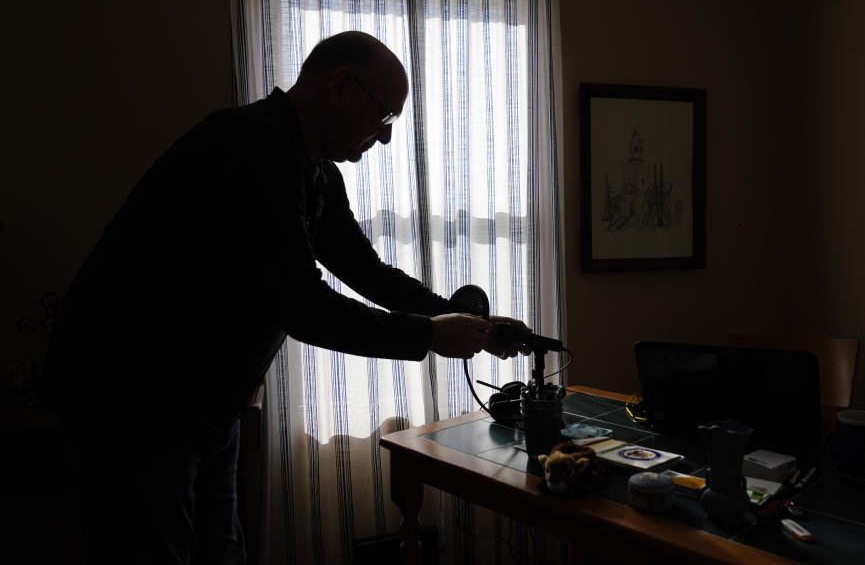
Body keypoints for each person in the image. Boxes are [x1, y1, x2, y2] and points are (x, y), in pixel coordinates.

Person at [41, 31, 528, 564]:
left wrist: (462, 319)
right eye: (383, 117)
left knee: (221, 552)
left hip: (207, 405)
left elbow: (367, 271)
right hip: (133, 402)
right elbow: (305, 307)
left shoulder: (312, 169)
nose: (385, 138)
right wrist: (431, 335)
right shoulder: (250, 146)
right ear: (342, 85)